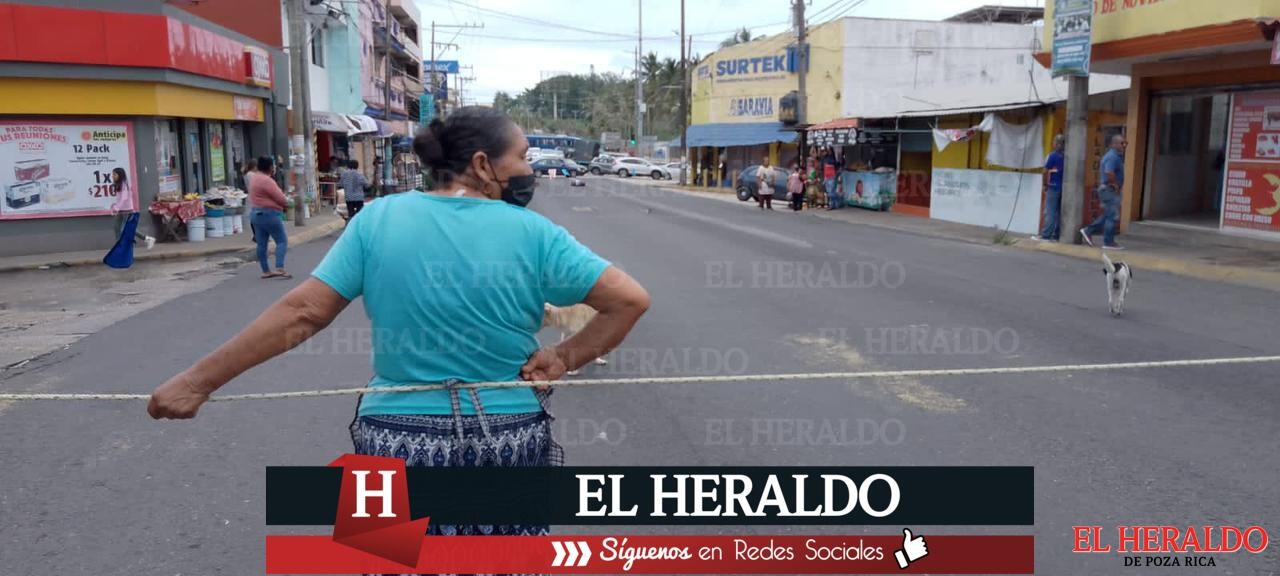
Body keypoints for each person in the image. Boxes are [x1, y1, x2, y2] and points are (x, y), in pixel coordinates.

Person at [147, 106, 651, 548]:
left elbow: (302, 313)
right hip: (506, 436)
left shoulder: (377, 221)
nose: (528, 169)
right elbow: (629, 301)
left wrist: (197, 384)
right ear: (482, 164)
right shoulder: (536, 234)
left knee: (389, 560)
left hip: (395, 438)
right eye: (520, 157)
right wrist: (564, 358)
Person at [249, 156, 292, 278]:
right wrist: (286, 203)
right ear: (269, 167)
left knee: (261, 244)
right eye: (273, 166)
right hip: (269, 214)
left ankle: (265, 270)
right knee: (281, 240)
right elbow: (280, 198)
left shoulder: (254, 178)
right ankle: (279, 267)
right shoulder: (266, 180)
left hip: (256, 214)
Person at [1081, 134, 1126, 250]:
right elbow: (1109, 172)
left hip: (1108, 189)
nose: (1124, 146)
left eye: (1125, 143)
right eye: (1122, 143)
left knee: (1108, 214)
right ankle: (1108, 242)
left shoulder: (1115, 156)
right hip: (1109, 190)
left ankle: (1088, 230)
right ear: (1115, 144)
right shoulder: (1112, 157)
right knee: (1112, 216)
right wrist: (1115, 184)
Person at [109, 168, 155, 250]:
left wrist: (117, 207)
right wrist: (114, 207)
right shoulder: (118, 185)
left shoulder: (124, 185)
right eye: (113, 174)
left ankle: (145, 239)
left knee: (125, 229)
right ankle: (120, 245)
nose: (113, 176)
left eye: (115, 174)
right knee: (117, 228)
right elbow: (119, 198)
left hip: (127, 211)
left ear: (120, 175)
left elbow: (124, 198)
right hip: (120, 211)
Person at [1035, 135, 1066, 241]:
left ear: (1057, 144)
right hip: (1063, 188)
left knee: (1050, 211)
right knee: (1059, 213)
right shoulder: (1066, 157)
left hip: (1052, 187)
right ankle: (1056, 235)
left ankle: (1046, 235)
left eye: (1054, 142)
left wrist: (1044, 185)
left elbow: (1045, 171)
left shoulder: (1052, 156)